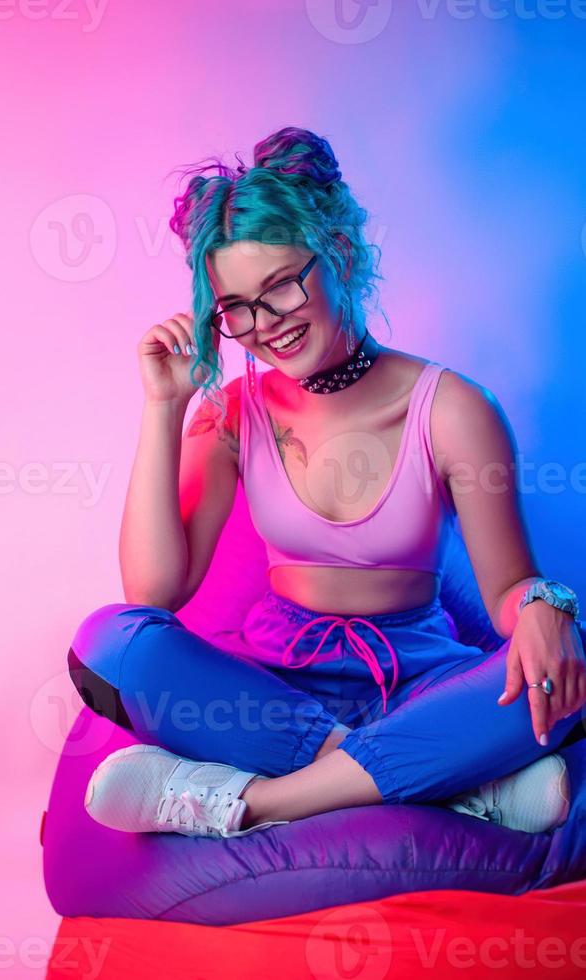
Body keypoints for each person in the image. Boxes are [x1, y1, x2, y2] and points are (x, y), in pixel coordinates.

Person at [72, 127, 586, 840]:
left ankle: (251, 803)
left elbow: (510, 588)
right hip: (276, 692)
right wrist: (164, 407)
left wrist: (544, 607)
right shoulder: (230, 415)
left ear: (338, 253)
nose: (265, 326)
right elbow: (155, 595)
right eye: (238, 307)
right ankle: (446, 785)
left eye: (281, 286)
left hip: (419, 684)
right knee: (114, 641)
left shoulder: (454, 409)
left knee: (566, 669)